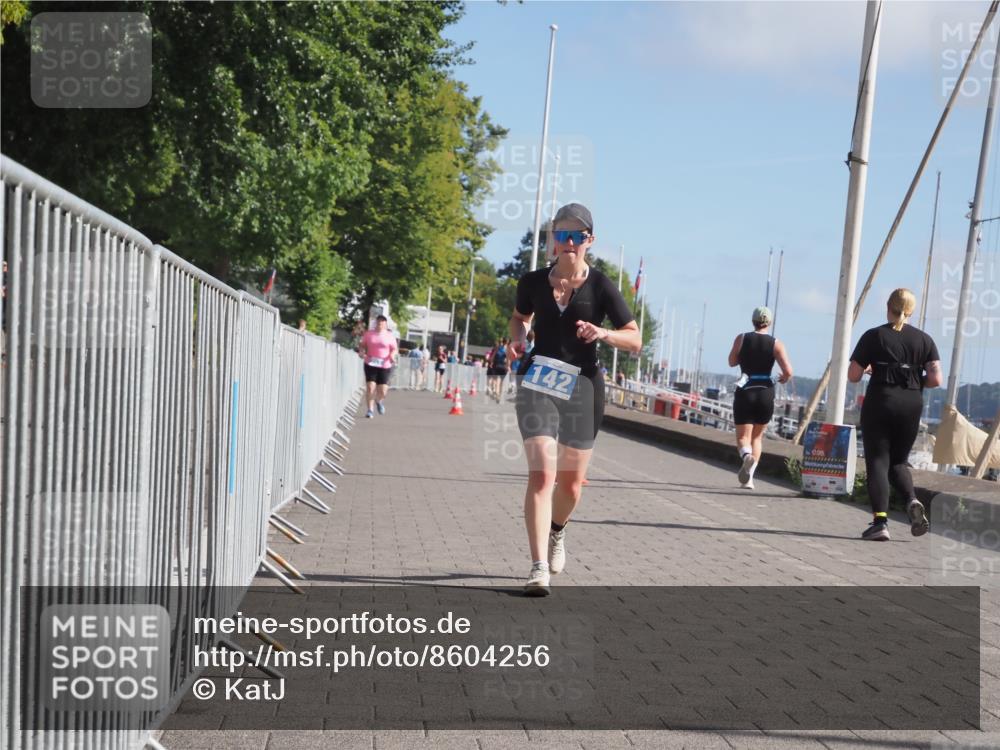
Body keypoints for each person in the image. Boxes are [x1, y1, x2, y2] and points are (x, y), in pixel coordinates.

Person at [507, 203, 641, 596]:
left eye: (577, 237)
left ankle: (557, 530)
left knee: (571, 486)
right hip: (539, 382)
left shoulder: (601, 286)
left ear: (589, 241)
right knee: (542, 476)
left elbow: (634, 338)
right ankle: (537, 567)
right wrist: (518, 339)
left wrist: (602, 334)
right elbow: (519, 318)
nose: (568, 243)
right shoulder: (532, 282)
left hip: (584, 385)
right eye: (561, 235)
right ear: (552, 239)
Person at [848, 288, 942, 541]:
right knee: (899, 462)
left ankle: (880, 523)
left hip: (881, 400)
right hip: (911, 403)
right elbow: (935, 379)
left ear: (888, 306)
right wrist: (912, 377)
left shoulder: (874, 336)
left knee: (878, 460)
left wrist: (871, 369)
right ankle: (912, 499)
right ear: (912, 311)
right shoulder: (925, 340)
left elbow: (853, 376)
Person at [727, 306, 793, 489]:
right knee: (757, 437)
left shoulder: (741, 338)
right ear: (769, 323)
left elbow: (732, 362)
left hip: (745, 389)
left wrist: (746, 357)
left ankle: (746, 456)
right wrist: (783, 378)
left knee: (743, 438)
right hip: (765, 391)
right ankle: (749, 479)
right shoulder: (776, 343)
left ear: (753, 321)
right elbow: (788, 372)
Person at [358, 315, 397, 418]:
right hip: (370, 363)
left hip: (385, 364)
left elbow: (394, 349)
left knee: (383, 391)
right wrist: (362, 352)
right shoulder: (369, 334)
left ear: (385, 324)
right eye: (379, 322)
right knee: (370, 387)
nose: (380, 324)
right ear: (376, 323)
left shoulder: (390, 336)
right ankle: (370, 410)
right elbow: (362, 345)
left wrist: (392, 355)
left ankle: (378, 401)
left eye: (382, 322)